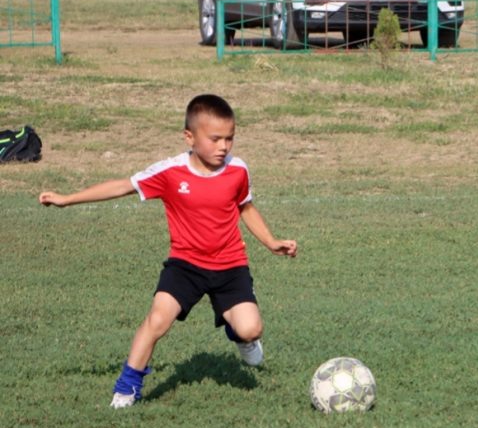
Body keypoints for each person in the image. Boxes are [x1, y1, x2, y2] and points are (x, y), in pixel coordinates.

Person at [39, 94, 298, 407]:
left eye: (230, 138)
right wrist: (67, 199)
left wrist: (271, 242)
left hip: (230, 266)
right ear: (190, 137)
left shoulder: (238, 170)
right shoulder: (170, 172)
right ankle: (127, 387)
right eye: (215, 139)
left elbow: (246, 207)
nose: (224, 146)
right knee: (158, 320)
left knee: (251, 329)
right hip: (185, 265)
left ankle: (239, 336)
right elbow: (122, 186)